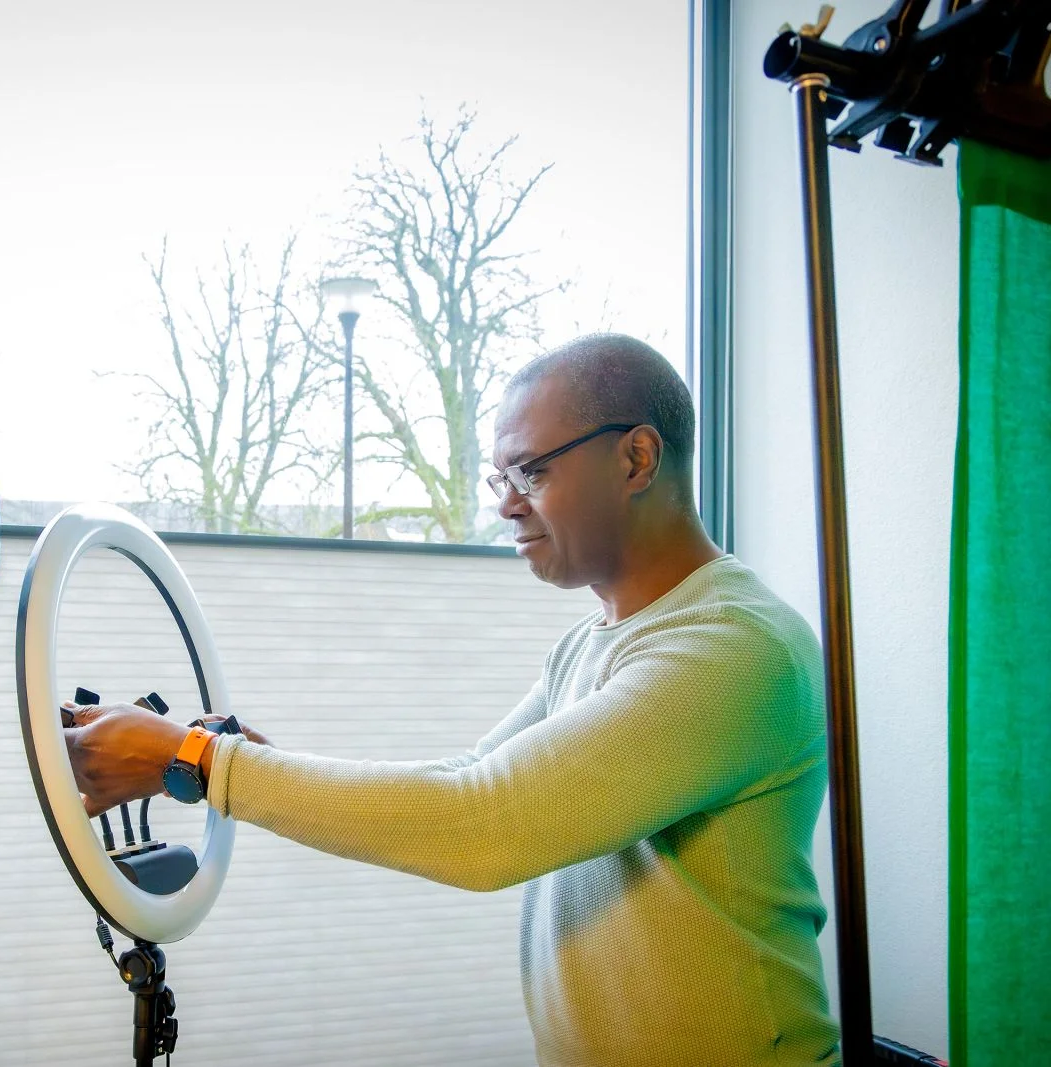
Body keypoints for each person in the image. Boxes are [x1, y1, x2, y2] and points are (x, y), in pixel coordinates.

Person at [63, 333, 841, 1065]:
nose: (506, 505)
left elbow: (482, 821)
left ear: (637, 457)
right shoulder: (591, 642)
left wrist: (199, 761)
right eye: (501, 478)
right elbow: (472, 770)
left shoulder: (733, 649)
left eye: (531, 472)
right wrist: (237, 758)